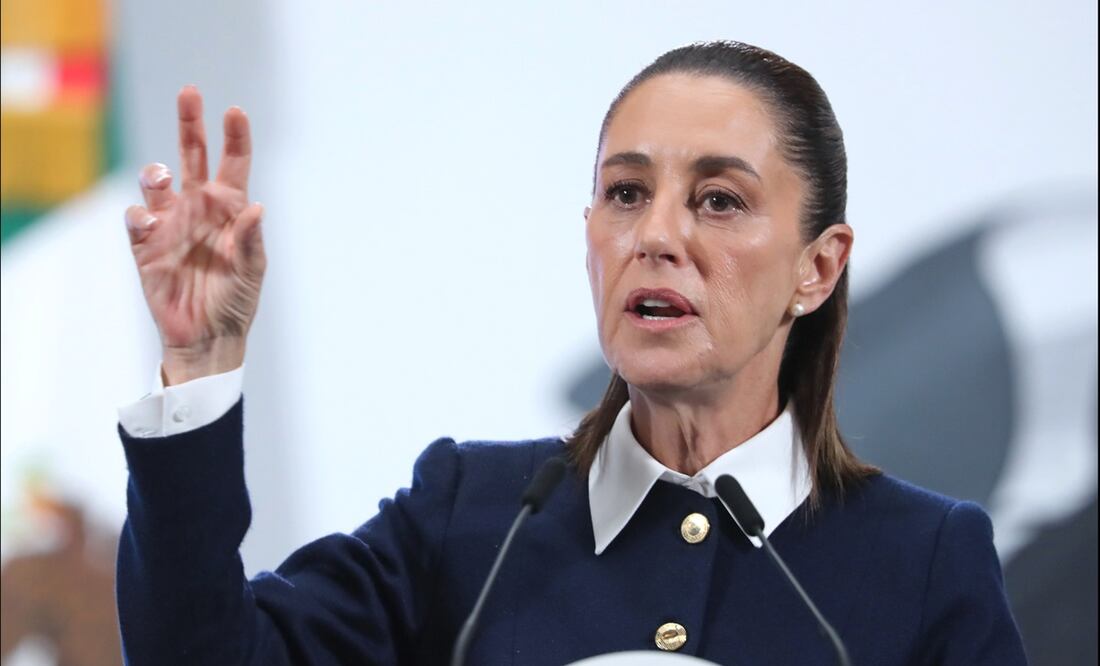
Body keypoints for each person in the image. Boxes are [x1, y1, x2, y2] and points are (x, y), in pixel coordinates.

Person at [115, 41, 1028, 665]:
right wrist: (201, 361)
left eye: (718, 200)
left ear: (817, 268)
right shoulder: (469, 518)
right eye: (626, 193)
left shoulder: (922, 560)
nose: (656, 236)